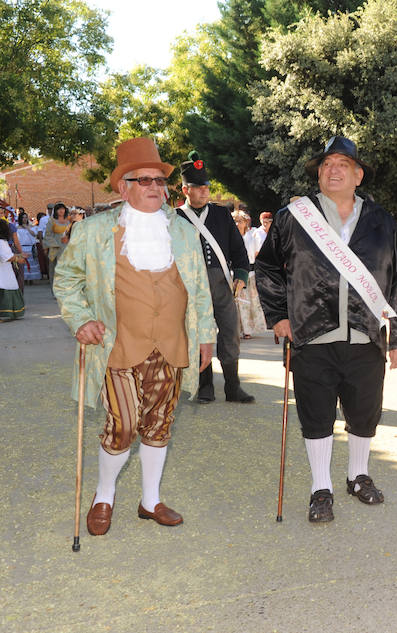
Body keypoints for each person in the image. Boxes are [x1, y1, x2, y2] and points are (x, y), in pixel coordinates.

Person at [54, 137, 216, 535]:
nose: (154, 188)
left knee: (160, 424)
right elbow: (67, 280)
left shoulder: (182, 231)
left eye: (159, 181)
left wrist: (206, 336)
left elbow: (198, 288)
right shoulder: (93, 231)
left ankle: (150, 500)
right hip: (118, 345)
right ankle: (104, 495)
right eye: (143, 180)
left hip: (173, 344)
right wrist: (81, 320)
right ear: (123, 187)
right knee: (123, 425)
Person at [256, 135, 397, 523]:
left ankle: (358, 476)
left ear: (358, 175)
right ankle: (320, 488)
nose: (333, 170)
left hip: (365, 335)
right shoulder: (294, 217)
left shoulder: (381, 222)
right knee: (315, 415)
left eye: (342, 165)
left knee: (364, 412)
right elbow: (266, 267)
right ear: (318, 174)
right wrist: (280, 315)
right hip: (311, 334)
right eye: (326, 165)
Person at [176, 151, 254, 404]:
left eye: (206, 187)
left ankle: (233, 386)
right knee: (199, 332)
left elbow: (238, 250)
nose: (204, 192)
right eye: (198, 188)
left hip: (222, 283)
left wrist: (241, 275)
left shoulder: (221, 215)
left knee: (230, 332)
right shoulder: (175, 218)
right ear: (185, 190)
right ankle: (205, 384)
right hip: (189, 286)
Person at [232, 209, 267, 338]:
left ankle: (248, 330)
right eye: (235, 221)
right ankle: (236, 329)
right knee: (236, 303)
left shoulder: (252, 236)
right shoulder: (230, 237)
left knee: (249, 302)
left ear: (245, 223)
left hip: (250, 273)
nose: (237, 224)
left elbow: (258, 253)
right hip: (234, 272)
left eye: (240, 221)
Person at [0, 219, 27, 321]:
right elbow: (6, 257)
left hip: (4, 269)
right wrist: (18, 259)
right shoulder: (1, 242)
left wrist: (19, 255)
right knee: (6, 287)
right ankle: (5, 313)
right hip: (3, 272)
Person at [15, 212, 41, 283]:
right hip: (22, 247)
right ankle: (24, 279)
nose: (25, 219)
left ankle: (31, 279)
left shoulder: (31, 226)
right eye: (23, 217)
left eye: (26, 217)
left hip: (30, 247)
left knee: (31, 263)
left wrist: (27, 228)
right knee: (24, 264)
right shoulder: (17, 227)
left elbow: (34, 234)